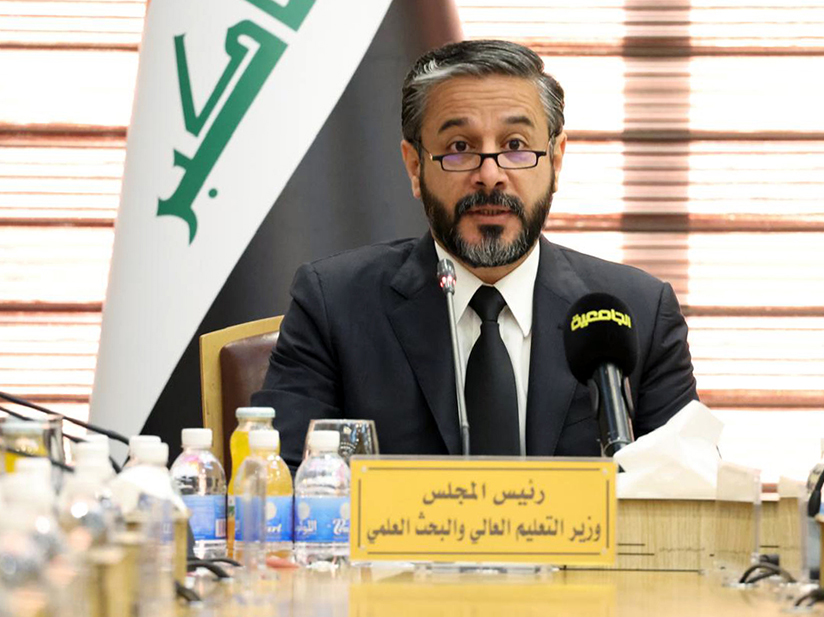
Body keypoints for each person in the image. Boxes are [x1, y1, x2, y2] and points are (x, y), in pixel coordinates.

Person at [251, 40, 698, 468]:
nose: (490, 175)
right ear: (415, 166)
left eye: (516, 146)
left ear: (556, 160)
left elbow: (689, 494)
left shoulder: (636, 313)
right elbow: (283, 482)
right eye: (460, 148)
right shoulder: (336, 305)